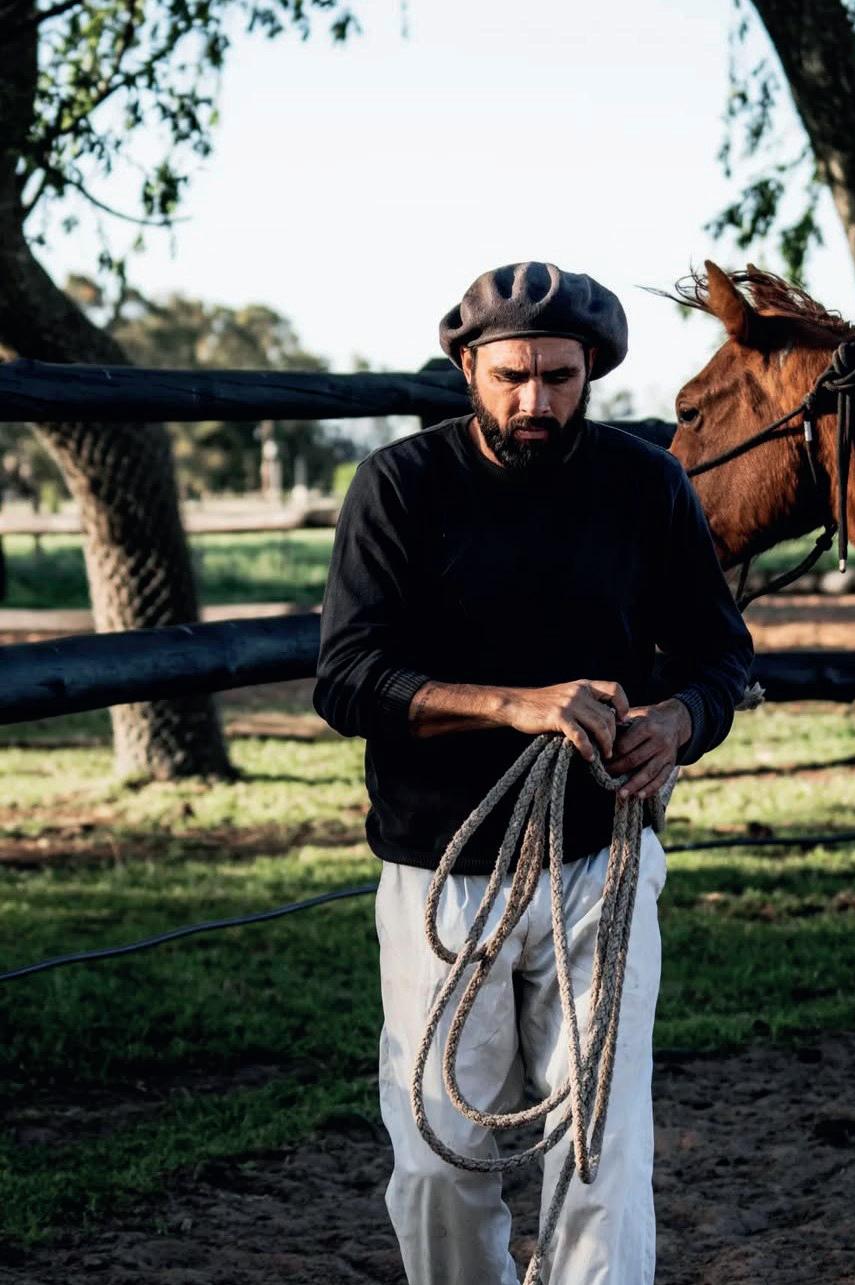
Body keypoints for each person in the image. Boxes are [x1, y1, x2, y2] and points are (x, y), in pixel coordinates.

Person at [313, 261, 753, 1284]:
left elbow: (717, 654)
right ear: (468, 368)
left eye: (559, 376)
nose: (535, 401)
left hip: (600, 859)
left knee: (600, 1148)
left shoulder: (645, 485)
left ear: (591, 369)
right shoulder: (399, 485)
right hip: (442, 865)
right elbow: (348, 678)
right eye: (511, 376)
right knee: (438, 1155)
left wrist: (681, 719)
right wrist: (516, 705)